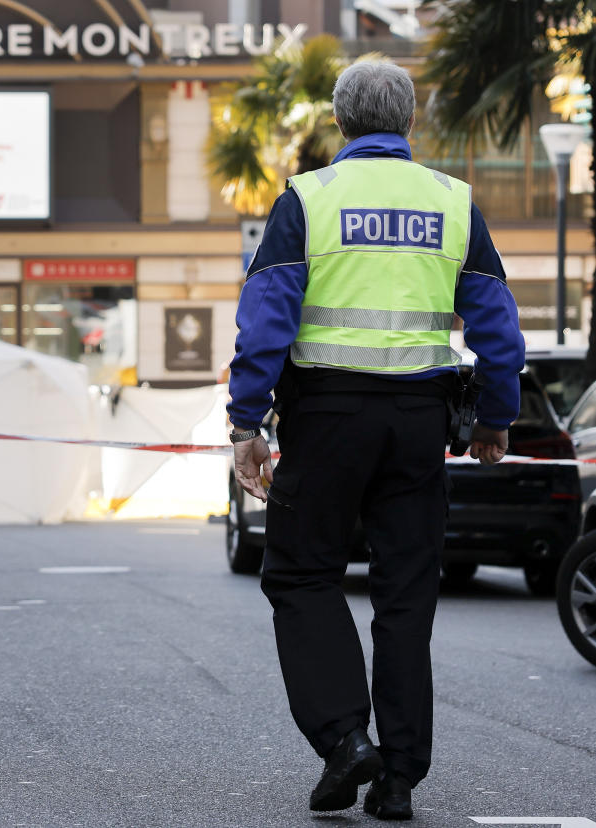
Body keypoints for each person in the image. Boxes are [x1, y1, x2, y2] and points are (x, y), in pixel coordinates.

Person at [226, 60, 525, 821]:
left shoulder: (307, 200)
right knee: (404, 594)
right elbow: (495, 325)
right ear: (410, 122)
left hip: (325, 417)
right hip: (419, 426)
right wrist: (494, 417)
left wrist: (245, 420)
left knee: (301, 576)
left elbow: (266, 317)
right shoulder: (452, 202)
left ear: (339, 120)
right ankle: (397, 777)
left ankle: (341, 740)